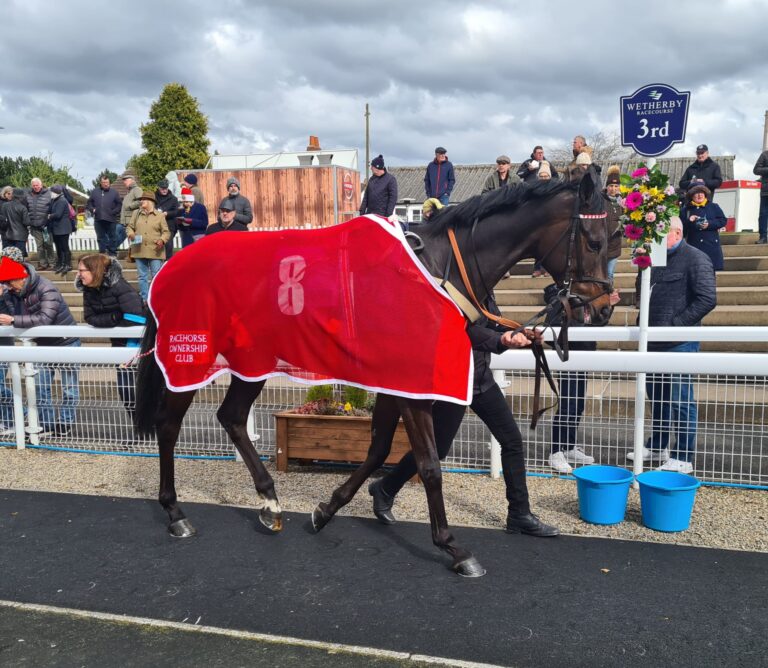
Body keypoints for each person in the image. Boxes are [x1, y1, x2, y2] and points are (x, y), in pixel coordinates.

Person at [369, 297, 559, 537]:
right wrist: (501, 340)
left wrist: (520, 333)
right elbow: (462, 330)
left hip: (480, 380)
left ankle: (519, 514)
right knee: (437, 449)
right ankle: (385, 488)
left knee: (512, 441)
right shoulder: (451, 291)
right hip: (455, 381)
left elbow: (492, 325)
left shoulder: (484, 292)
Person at [627, 216, 716, 474]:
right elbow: (643, 293)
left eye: (660, 233)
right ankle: (658, 445)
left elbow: (707, 298)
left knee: (680, 399)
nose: (654, 238)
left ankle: (683, 456)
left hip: (679, 342)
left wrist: (677, 324)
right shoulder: (655, 260)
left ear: (676, 232)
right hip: (653, 340)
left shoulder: (696, 258)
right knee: (658, 398)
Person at [0, 255, 81, 437]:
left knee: (69, 388)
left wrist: (12, 320)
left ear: (21, 278)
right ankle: (47, 424)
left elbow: (45, 319)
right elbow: (14, 315)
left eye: (9, 283)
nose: (8, 287)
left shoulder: (46, 287)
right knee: (40, 387)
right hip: (41, 344)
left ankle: (65, 423)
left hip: (66, 341)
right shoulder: (11, 293)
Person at [76, 254, 144, 427]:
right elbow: (90, 317)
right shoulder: (89, 290)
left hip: (140, 346)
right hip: (119, 346)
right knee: (126, 391)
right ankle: (139, 426)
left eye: (82, 270)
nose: (78, 274)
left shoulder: (120, 286)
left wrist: (112, 320)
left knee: (145, 390)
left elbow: (137, 318)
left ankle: (154, 426)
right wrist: (114, 317)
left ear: (95, 270)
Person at [126, 191, 170, 300]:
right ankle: (144, 299)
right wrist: (131, 234)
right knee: (142, 277)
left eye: (144, 199)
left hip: (155, 250)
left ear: (151, 201)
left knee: (156, 276)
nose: (141, 201)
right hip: (139, 250)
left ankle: (156, 298)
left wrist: (162, 240)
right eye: (141, 199)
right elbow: (129, 227)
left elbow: (166, 232)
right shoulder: (136, 213)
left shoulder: (159, 216)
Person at [680, 179, 726, 271]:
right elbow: (681, 230)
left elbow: (722, 220)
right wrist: (689, 221)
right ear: (691, 195)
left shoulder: (713, 206)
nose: (699, 195)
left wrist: (709, 224)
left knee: (710, 273)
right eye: (696, 193)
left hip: (711, 246)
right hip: (693, 247)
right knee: (694, 273)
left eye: (701, 192)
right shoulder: (685, 210)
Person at [86, 175, 122, 256]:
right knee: (100, 238)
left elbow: (119, 204)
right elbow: (89, 203)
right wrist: (93, 209)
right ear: (100, 183)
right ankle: (102, 254)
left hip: (111, 219)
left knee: (112, 237)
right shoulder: (95, 192)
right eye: (104, 182)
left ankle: (112, 255)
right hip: (98, 219)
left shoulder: (114, 192)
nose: (106, 184)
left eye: (107, 182)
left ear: (109, 183)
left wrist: (113, 212)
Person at [25, 178, 56, 270]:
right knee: (39, 246)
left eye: (37, 185)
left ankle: (52, 263)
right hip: (34, 225)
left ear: (41, 185)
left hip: (46, 225)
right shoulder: (28, 195)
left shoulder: (49, 194)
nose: (35, 187)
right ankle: (43, 264)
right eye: (34, 185)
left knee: (48, 244)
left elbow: (53, 207)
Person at [47, 185, 73, 275]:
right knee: (59, 247)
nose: (50, 193)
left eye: (51, 192)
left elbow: (58, 214)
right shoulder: (54, 200)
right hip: (57, 228)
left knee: (64, 247)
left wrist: (49, 216)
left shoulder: (62, 200)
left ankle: (67, 264)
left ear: (56, 193)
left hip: (63, 228)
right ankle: (61, 263)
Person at [604, 166, 623, 280]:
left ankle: (609, 291)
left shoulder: (623, 202)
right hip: (601, 243)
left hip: (615, 243)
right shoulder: (601, 200)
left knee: (609, 273)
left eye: (616, 186)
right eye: (611, 186)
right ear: (607, 187)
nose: (613, 189)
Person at [0, 189, 31, 257]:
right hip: (20, 236)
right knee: (18, 257)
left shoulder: (4, 205)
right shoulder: (22, 208)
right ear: (21, 197)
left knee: (7, 257)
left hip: (6, 235)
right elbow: (26, 222)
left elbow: (2, 219)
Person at [155, 178, 179, 259]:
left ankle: (168, 262)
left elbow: (176, 211)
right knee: (156, 246)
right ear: (158, 188)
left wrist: (167, 213)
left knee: (168, 246)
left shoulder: (173, 198)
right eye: (162, 189)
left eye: (166, 188)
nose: (164, 190)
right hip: (156, 225)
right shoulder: (154, 197)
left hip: (169, 224)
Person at [118, 172, 143, 251]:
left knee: (134, 236)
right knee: (130, 237)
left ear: (131, 180)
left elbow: (141, 201)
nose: (124, 182)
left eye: (126, 180)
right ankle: (133, 253)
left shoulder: (137, 189)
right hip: (127, 220)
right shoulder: (130, 191)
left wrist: (129, 206)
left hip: (133, 219)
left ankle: (136, 253)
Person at [751, 148, 768, 244]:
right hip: (766, 191)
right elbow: (756, 170)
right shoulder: (765, 155)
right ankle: (763, 237)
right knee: (763, 214)